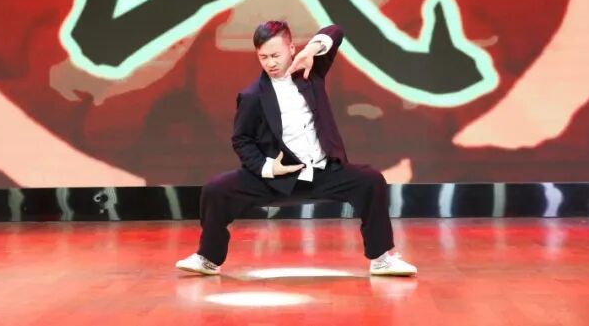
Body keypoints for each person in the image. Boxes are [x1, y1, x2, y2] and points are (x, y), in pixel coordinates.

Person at [175, 21, 417, 276]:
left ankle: (381, 259)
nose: (270, 63)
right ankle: (208, 259)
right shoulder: (253, 95)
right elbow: (242, 139)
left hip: (324, 171)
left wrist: (311, 50)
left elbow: (335, 31)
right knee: (216, 190)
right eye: (263, 57)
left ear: (291, 49)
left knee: (371, 181)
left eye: (276, 55)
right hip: (279, 177)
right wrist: (268, 167)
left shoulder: (310, 72)